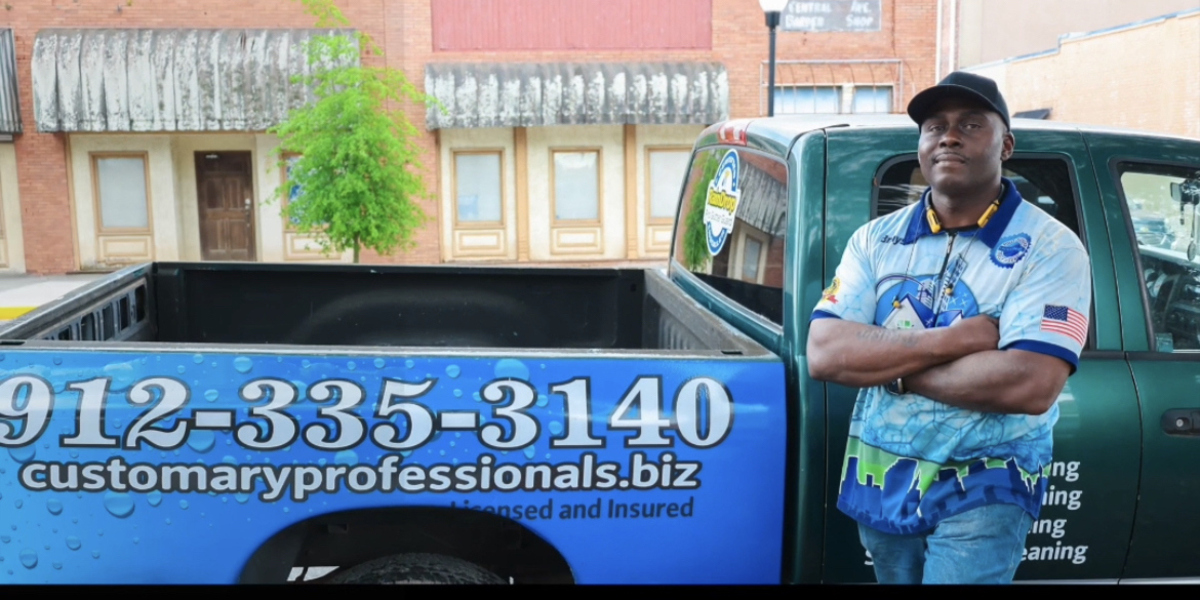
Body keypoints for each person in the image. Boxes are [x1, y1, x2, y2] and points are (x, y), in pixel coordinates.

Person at [806, 71, 1092, 584]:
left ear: (1006, 145)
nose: (949, 137)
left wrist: (891, 369)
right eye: (935, 126)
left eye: (971, 125)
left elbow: (1030, 384)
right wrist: (957, 340)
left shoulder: (1051, 248)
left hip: (987, 481)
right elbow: (826, 352)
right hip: (885, 477)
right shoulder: (875, 240)